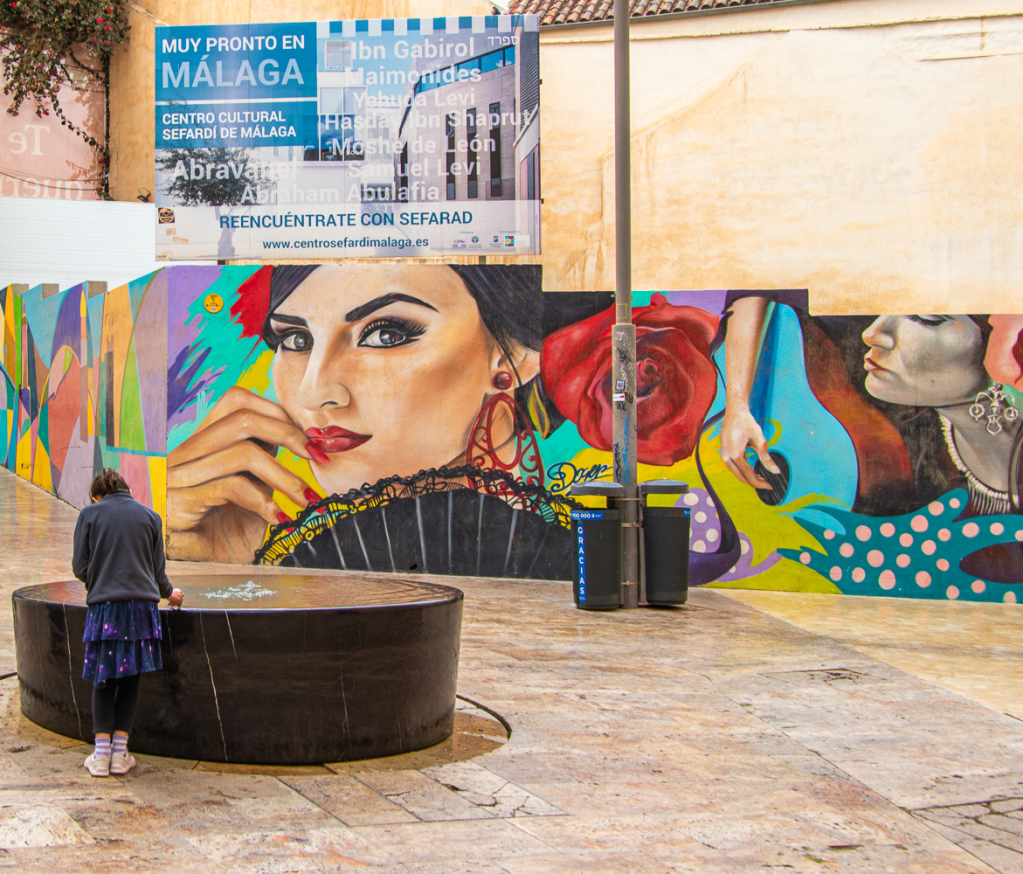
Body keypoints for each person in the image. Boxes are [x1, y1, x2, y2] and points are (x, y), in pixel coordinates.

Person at [166, 264, 576, 575]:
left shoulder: (568, 565)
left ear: (512, 357)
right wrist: (227, 563)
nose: (315, 392)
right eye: (296, 340)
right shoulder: (257, 539)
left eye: (386, 334)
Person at [72, 469, 184, 777]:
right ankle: (121, 755)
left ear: (97, 497)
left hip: (106, 609)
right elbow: (158, 573)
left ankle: (100, 756)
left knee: (103, 678)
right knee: (130, 679)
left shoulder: (90, 515)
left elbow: (79, 566)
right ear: (127, 489)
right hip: (141, 610)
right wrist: (170, 594)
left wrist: (100, 580)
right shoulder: (150, 517)